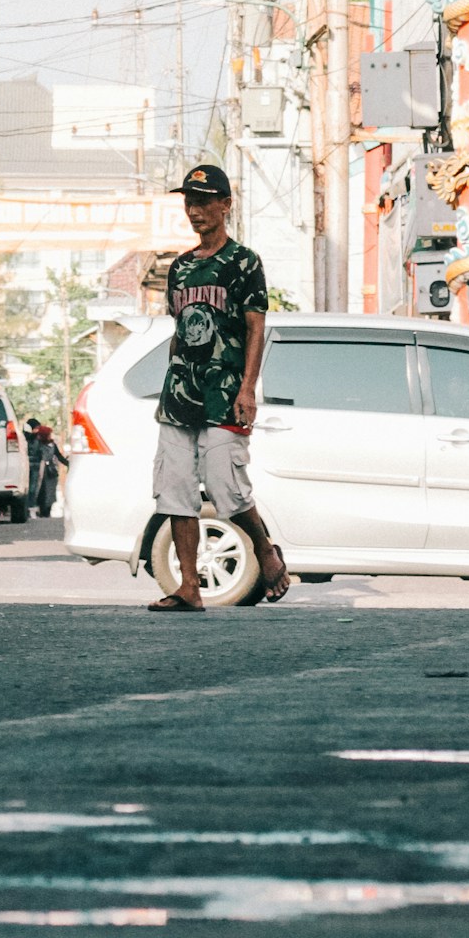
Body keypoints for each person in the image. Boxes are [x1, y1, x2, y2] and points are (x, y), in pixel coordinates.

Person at [147, 163, 291, 610]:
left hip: (225, 391)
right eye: (190, 202)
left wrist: (248, 388)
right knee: (174, 488)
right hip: (180, 393)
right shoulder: (181, 268)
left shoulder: (244, 262)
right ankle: (189, 587)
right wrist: (171, 376)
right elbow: (179, 329)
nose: (196, 211)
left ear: (226, 205)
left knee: (225, 486)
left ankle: (265, 551)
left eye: (205, 201)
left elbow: (256, 328)